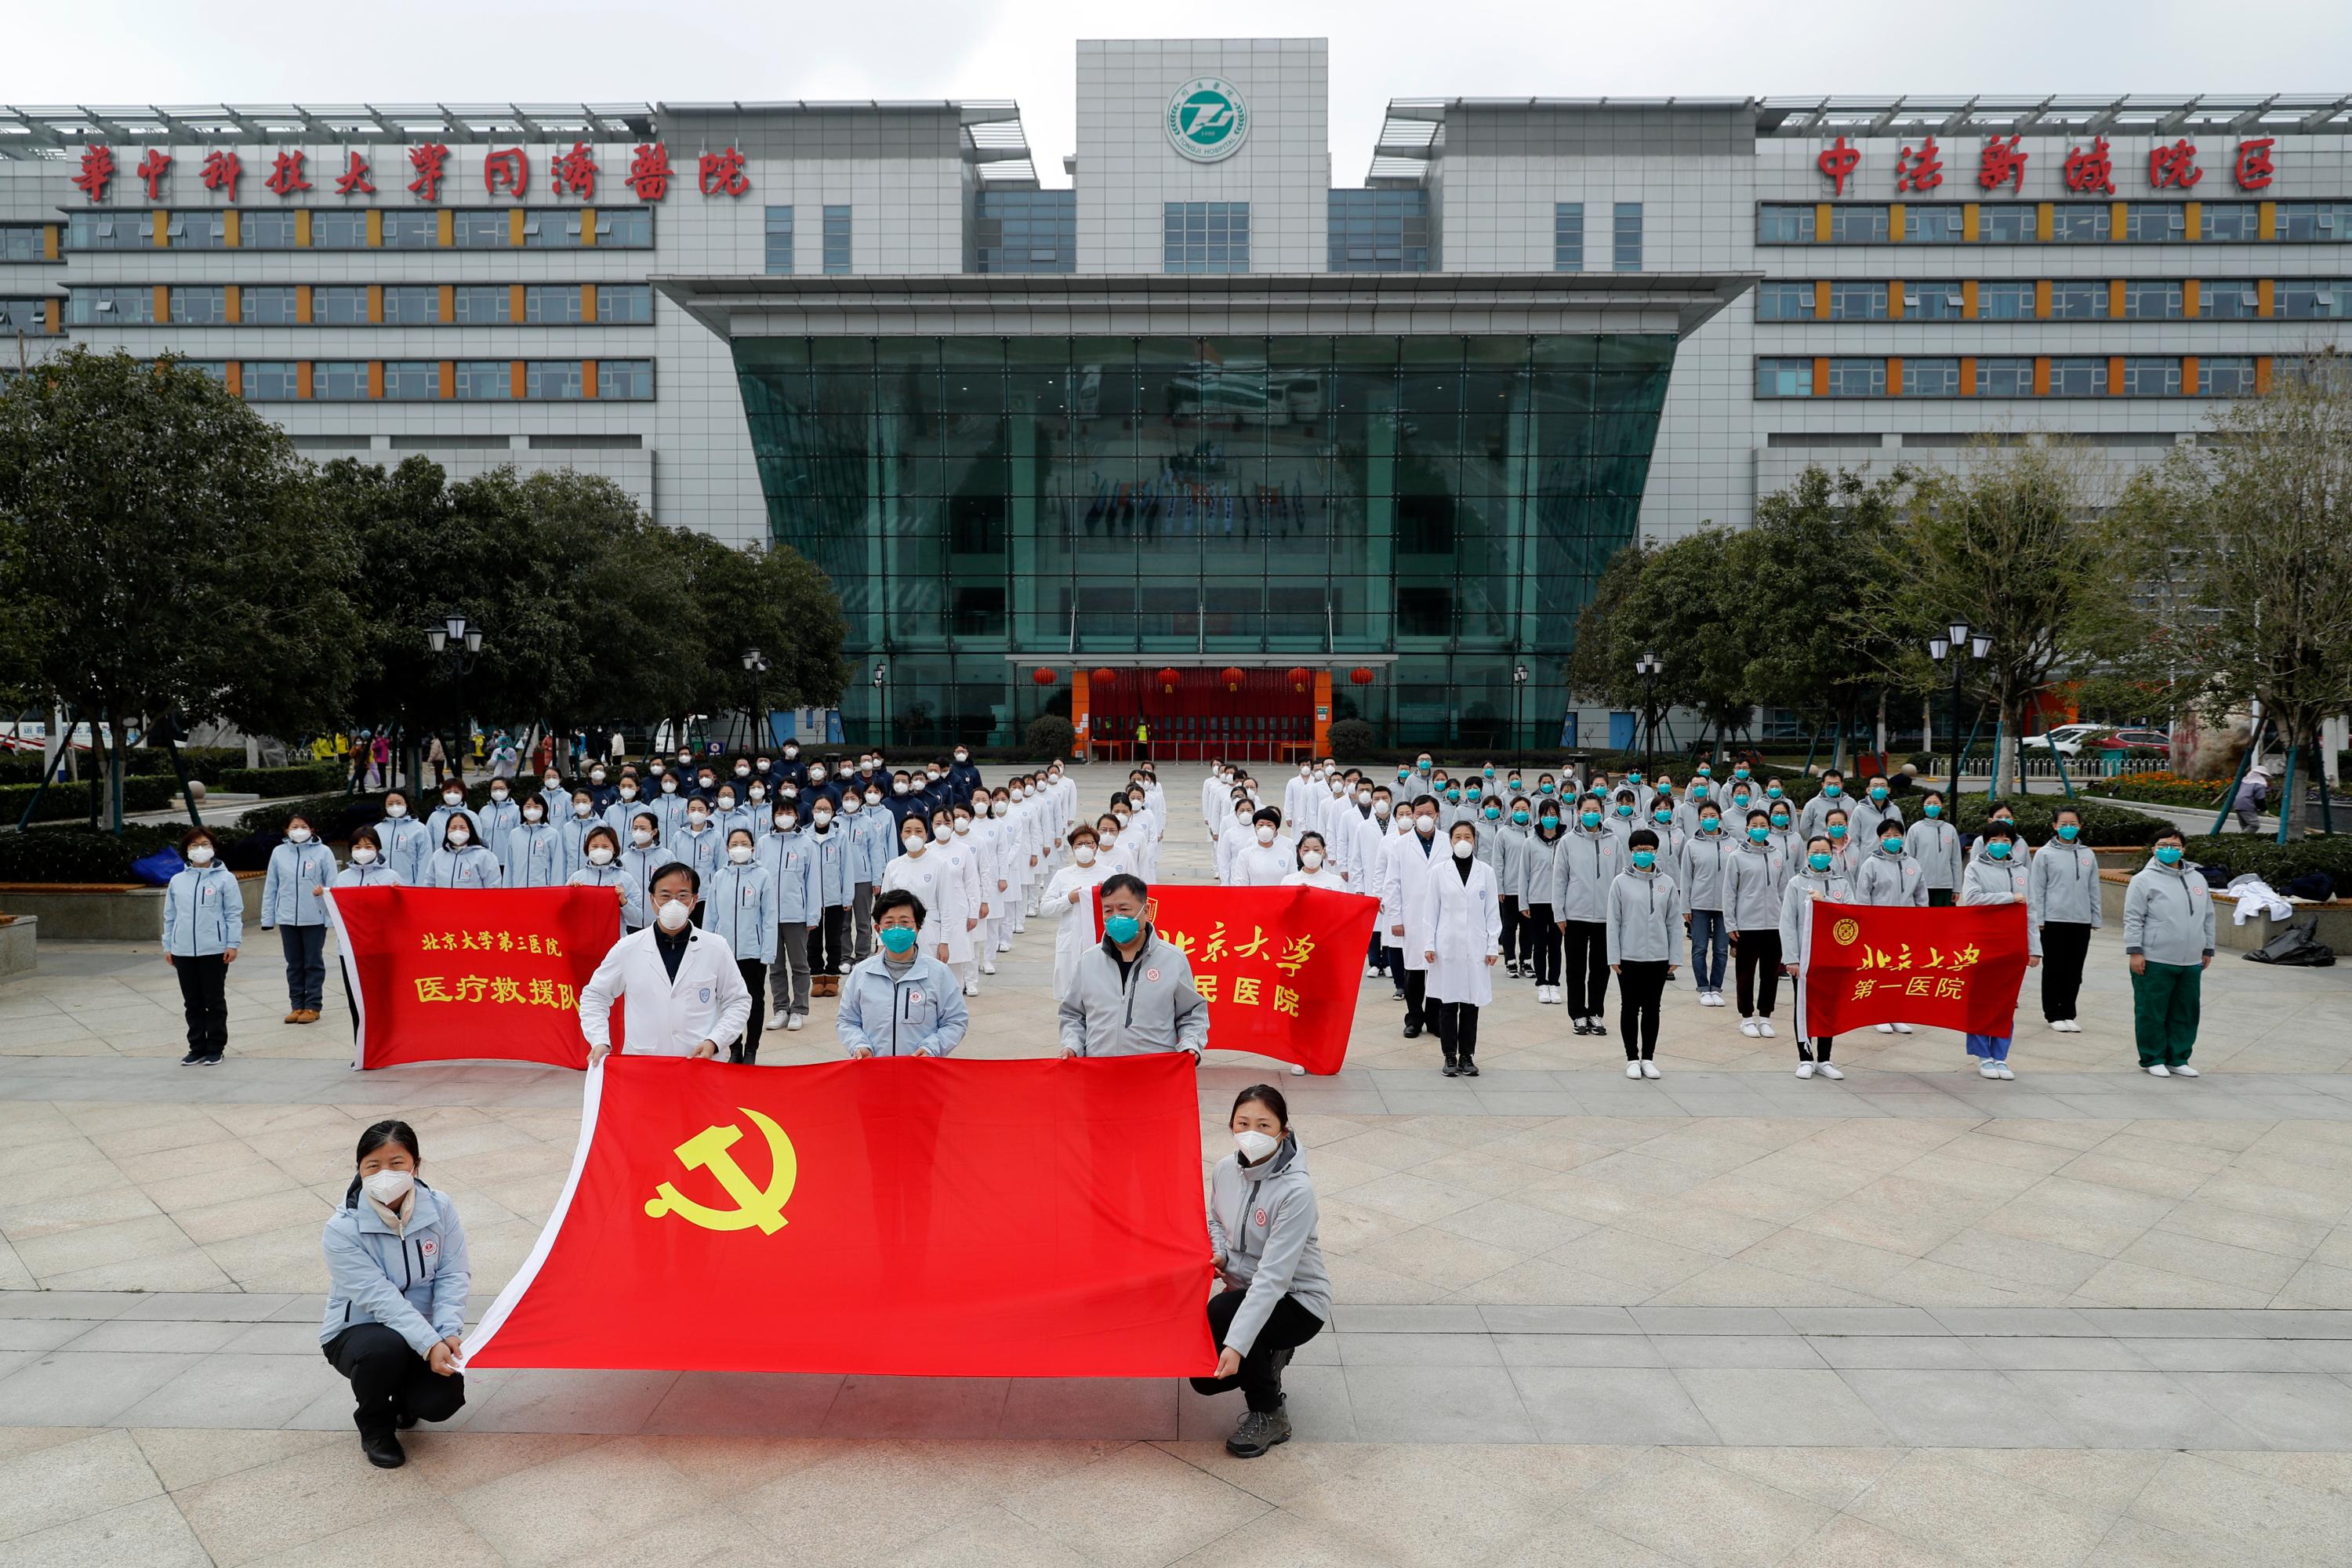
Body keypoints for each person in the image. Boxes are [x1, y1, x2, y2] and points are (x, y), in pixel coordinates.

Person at [320, 1120, 469, 1469]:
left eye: (396, 1163)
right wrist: (429, 1344)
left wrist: (447, 1331)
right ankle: (375, 1427)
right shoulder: (342, 1229)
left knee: (442, 1401)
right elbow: (381, 1300)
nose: (384, 1173)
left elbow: (453, 1273)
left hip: (423, 1332)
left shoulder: (440, 1208)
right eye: (373, 1165)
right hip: (359, 1333)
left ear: (415, 1164)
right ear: (359, 1169)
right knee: (383, 1349)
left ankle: (403, 1399)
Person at [1193, 1084, 1330, 1460]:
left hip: (1297, 1301)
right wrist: (1220, 1253)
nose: (1251, 1133)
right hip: (1244, 1294)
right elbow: (1214, 1219)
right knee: (1204, 1381)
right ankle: (1267, 1355)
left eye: (1264, 1125)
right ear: (1231, 1126)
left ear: (1283, 1131)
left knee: (1224, 1314)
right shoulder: (1225, 1169)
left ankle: (1269, 1413)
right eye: (1243, 1123)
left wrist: (1237, 1345)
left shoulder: (1297, 1192)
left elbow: (1273, 1278)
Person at [580, 863, 752, 1063]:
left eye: (682, 896)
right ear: (652, 900)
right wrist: (599, 1040)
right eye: (665, 896)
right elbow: (595, 996)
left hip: (701, 1062)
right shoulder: (627, 948)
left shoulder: (715, 947)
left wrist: (715, 1041)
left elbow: (738, 1001)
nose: (674, 903)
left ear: (694, 901)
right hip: (645, 1064)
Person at [1058, 873, 1208, 1058]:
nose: (1116, 917)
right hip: (1100, 1067)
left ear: (1146, 911)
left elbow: (1191, 1014)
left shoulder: (1173, 959)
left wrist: (1190, 1044)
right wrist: (1072, 1045)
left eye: (1124, 909)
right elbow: (1072, 1014)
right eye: (1108, 910)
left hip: (1154, 1068)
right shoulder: (1089, 960)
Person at [2123, 829, 2215, 1079]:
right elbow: (2133, 917)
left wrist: (2207, 947)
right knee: (2151, 1011)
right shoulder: (2143, 879)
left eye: (2174, 846)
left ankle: (2178, 1058)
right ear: (2153, 849)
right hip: (2155, 958)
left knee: (2186, 1011)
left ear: (2183, 850)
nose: (2169, 849)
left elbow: (2208, 915)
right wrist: (2135, 951)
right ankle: (2153, 1057)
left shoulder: (2197, 878)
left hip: (2191, 959)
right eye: (2162, 845)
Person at [837, 890, 970, 1058]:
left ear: (918, 927)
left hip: (922, 1068)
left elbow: (955, 1021)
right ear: (878, 929)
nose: (897, 929)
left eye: (905, 922)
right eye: (889, 923)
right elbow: (847, 1020)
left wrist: (932, 1048)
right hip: (875, 1067)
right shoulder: (861, 973)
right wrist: (859, 1045)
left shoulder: (939, 973)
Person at [1420, 821, 1500, 1076]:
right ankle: (1449, 1056)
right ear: (1451, 841)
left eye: (1467, 837)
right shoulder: (1439, 872)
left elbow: (1492, 912)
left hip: (1476, 946)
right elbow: (1430, 911)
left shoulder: (1486, 872)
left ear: (1474, 841)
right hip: (1447, 946)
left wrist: (1492, 945)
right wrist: (1429, 944)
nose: (1462, 841)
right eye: (1457, 837)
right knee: (1447, 1003)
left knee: (1470, 1004)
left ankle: (1467, 1055)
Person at [1959, 822, 2038, 1077]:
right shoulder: (1975, 867)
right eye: (1994, 840)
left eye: (2005, 840)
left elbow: (2031, 911)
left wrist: (2034, 948)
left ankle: (2000, 1056)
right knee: (1981, 1000)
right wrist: (2009, 897)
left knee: (2006, 1002)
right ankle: (1983, 1055)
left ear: (2013, 844)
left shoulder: (2021, 871)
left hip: (2012, 945)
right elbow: (1972, 898)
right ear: (1986, 843)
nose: (2000, 845)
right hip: (1983, 943)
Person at [1606, 828, 1682, 1079]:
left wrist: (1675, 955)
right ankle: (1631, 1058)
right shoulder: (1620, 882)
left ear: (1655, 851)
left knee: (1652, 1008)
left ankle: (1648, 1058)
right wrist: (1613, 956)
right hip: (1629, 956)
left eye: (1647, 850)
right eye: (1638, 850)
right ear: (1631, 852)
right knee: (1629, 1007)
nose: (1643, 854)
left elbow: (1673, 922)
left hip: (1658, 957)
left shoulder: (1666, 883)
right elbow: (1614, 921)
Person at [163, 827, 242, 1065]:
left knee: (214, 1001)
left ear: (213, 848)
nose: (200, 849)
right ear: (186, 850)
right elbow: (170, 916)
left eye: (205, 844)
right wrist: (168, 945)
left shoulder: (226, 879)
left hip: (214, 949)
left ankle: (215, 1047)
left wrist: (232, 944)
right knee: (192, 1002)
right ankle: (196, 1047)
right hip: (183, 950)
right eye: (194, 845)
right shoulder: (177, 881)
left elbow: (233, 914)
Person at [1778, 837, 1854, 1079]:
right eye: (1815, 852)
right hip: (1805, 957)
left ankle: (1825, 1059)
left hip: (1832, 956)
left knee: (1829, 1007)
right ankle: (1805, 1057)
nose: (1820, 856)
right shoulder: (1796, 883)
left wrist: (1826, 901)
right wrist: (1791, 958)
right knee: (1804, 1006)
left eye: (1824, 852)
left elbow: (1853, 914)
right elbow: (1787, 922)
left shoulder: (1841, 883)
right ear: (1807, 854)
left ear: (1831, 854)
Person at [1552, 796, 1627, 1037]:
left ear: (1602, 812)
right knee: (1575, 968)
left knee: (1600, 968)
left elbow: (1621, 880)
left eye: (1595, 810)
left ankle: (1595, 1012)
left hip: (1605, 917)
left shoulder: (1613, 841)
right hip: (1575, 915)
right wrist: (1559, 913)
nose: (1591, 814)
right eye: (1586, 810)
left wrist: (1620, 914)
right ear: (1579, 813)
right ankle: (1578, 1014)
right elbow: (1559, 879)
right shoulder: (1568, 842)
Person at [703, 829, 776, 1062]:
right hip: (725, 952)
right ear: (727, 848)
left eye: (744, 843)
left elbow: (769, 916)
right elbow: (711, 915)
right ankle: (735, 1047)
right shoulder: (719, 877)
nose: (739, 848)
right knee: (726, 1001)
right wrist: (706, 948)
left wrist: (767, 952)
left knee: (754, 1000)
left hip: (752, 951)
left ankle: (752, 1048)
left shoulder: (762, 876)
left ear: (752, 848)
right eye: (734, 844)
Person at [2029, 806, 2102, 1035]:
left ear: (2080, 826)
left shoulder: (2088, 854)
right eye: (2063, 824)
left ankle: (2069, 1013)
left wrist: (2095, 917)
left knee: (2074, 971)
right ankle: (2053, 1014)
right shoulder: (2044, 854)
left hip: (2081, 920)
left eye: (2073, 824)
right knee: (2054, 969)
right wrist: (2038, 919)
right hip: (2053, 920)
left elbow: (2093, 888)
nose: (2068, 828)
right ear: (2055, 826)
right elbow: (2037, 889)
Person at [260, 813, 337, 1025]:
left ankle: (313, 1005)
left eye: (303, 826)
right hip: (287, 918)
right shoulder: (279, 852)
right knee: (294, 964)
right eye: (294, 827)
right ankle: (297, 1005)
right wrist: (268, 918)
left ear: (312, 829)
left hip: (314, 918)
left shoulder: (323, 852)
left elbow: (332, 885)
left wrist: (331, 917)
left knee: (313, 963)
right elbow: (271, 886)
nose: (299, 830)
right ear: (287, 830)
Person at [1380, 798, 1445, 1039]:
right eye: (1419, 813)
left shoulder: (1447, 841)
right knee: (1414, 971)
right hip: (1412, 915)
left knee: (1438, 970)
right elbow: (1392, 883)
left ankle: (1435, 1019)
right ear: (1414, 815)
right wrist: (1395, 918)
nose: (1424, 817)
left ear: (1437, 814)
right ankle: (1414, 1018)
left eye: (1429, 812)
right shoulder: (1400, 844)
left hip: (1442, 916)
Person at [760, 797, 820, 1035]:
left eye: (788, 812)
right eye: (779, 812)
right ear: (773, 816)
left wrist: (812, 915)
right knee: (775, 967)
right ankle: (781, 1009)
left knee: (799, 964)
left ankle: (799, 1009)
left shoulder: (807, 844)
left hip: (796, 915)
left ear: (796, 815)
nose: (783, 816)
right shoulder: (764, 843)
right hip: (769, 916)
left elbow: (813, 881)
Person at [1726, 810, 1786, 1039]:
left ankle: (1765, 1017)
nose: (1759, 829)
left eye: (1763, 825)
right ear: (1747, 828)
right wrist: (1731, 923)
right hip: (1747, 925)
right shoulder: (1737, 857)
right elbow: (1729, 892)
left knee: (1770, 975)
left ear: (1769, 828)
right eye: (1754, 825)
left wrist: (1785, 920)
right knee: (1745, 975)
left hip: (1774, 925)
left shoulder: (1777, 855)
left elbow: (1783, 890)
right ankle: (1747, 1018)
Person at [1676, 800, 1734, 1009]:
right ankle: (1703, 987)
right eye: (1705, 816)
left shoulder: (1733, 844)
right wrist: (1685, 906)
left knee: (1721, 949)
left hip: (1725, 906)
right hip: (1699, 904)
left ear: (1720, 817)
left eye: (1713, 815)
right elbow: (1686, 877)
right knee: (1699, 948)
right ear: (1699, 819)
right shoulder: (1692, 845)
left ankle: (1716, 987)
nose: (1709, 819)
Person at [1524, 810, 1566, 1004]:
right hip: (1537, 901)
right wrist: (1523, 902)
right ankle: (1542, 983)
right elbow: (1524, 874)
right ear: (1540, 817)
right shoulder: (1530, 843)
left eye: (1553, 814)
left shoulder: (1565, 842)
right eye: (1546, 815)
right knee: (1540, 946)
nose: (1550, 818)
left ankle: (1554, 984)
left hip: (1558, 902)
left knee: (1556, 946)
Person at [566, 825, 633, 929]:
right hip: (583, 935)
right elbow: (562, 912)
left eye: (605, 846)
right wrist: (571, 894)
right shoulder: (577, 877)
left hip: (614, 937)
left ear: (614, 849)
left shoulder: (625, 878)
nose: (599, 850)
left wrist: (624, 902)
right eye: (594, 846)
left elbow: (637, 918)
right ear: (588, 848)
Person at [1907, 791, 1963, 907]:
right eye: (1928, 803)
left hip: (1945, 886)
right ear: (1923, 805)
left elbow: (1956, 860)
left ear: (1942, 805)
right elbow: (1908, 859)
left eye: (1936, 803)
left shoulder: (1950, 829)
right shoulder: (1915, 829)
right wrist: (1910, 885)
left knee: (1944, 918)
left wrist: (1957, 888)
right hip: (1922, 885)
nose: (1932, 806)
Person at [423, 814, 500, 889]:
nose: (458, 831)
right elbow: (429, 883)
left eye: (462, 827)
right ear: (447, 831)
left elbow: (493, 886)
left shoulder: (484, 856)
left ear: (470, 830)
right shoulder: (438, 856)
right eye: (453, 827)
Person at [505, 793, 564, 887]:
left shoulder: (552, 834)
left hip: (542, 889)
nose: (532, 810)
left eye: (536, 807)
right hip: (519, 888)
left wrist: (555, 890)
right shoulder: (514, 834)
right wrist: (507, 888)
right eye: (528, 807)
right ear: (522, 809)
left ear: (544, 809)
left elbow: (557, 865)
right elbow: (509, 865)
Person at [375, 791, 430, 884]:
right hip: (382, 885)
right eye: (390, 804)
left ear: (406, 804)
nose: (395, 806)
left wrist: (420, 887)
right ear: (385, 806)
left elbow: (425, 860)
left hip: (409, 886)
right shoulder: (377, 829)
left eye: (399, 803)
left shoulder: (419, 829)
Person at [1281, 831, 1347, 890]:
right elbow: (1282, 899)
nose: (1311, 854)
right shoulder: (1288, 881)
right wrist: (1295, 893)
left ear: (1324, 852)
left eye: (1316, 850)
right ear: (1299, 852)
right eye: (1306, 850)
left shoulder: (1336, 882)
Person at [2233, 766, 2269, 833]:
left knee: (2245, 826)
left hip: (2237, 804)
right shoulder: (2260, 785)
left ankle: (2243, 838)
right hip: (2247, 805)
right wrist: (2263, 810)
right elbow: (2260, 799)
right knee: (2254, 825)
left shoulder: (2244, 782)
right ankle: (2238, 838)